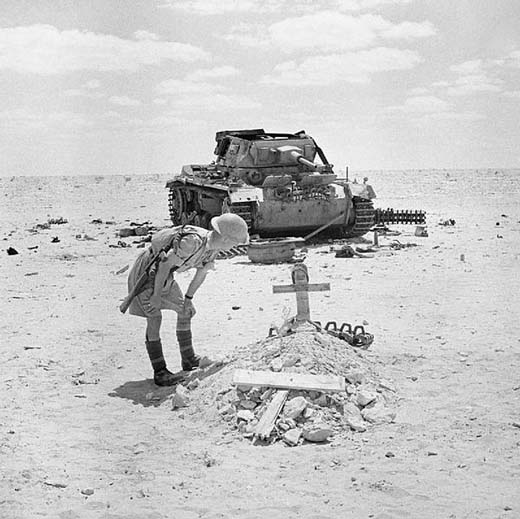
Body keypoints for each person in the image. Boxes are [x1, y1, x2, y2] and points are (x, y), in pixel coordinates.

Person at [126, 213, 249, 386]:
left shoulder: (212, 249)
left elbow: (201, 274)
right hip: (148, 273)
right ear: (226, 239)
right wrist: (155, 296)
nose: (236, 245)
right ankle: (160, 371)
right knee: (154, 317)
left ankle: (188, 359)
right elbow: (164, 265)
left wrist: (188, 298)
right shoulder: (193, 242)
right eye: (235, 242)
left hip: (165, 275)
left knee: (186, 310)